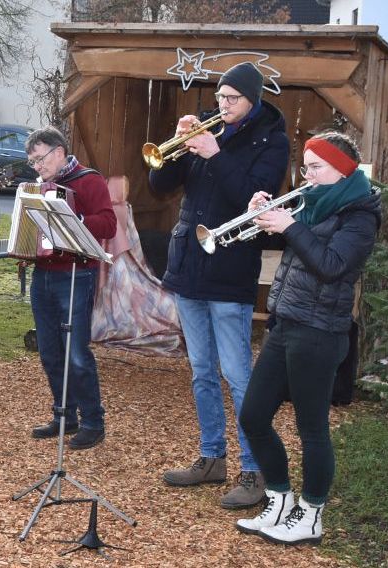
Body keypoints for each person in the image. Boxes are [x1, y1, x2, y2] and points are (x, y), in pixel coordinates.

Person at [148, 62, 290, 508]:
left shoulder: (273, 141)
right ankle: (212, 457)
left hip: (230, 269)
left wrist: (215, 154)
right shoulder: (209, 134)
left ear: (253, 100)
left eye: (231, 99)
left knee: (237, 374)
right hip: (189, 264)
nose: (222, 106)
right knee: (201, 371)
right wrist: (177, 145)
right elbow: (159, 184)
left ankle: (255, 468)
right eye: (220, 98)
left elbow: (252, 199)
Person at [236, 132, 380, 545]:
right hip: (288, 322)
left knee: (312, 429)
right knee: (254, 416)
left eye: (316, 167)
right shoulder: (313, 202)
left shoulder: (361, 214)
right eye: (306, 166)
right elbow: (291, 244)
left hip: (321, 332)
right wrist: (262, 218)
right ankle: (280, 499)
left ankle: (312, 513)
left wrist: (291, 225)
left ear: (343, 170)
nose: (307, 175)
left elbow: (332, 265)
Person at [24, 126, 117, 451]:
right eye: (33, 162)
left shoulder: (89, 180)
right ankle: (65, 416)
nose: (37, 167)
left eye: (40, 159)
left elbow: (108, 224)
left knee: (77, 353)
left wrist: (72, 216)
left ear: (59, 151)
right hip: (44, 275)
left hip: (76, 274)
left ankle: (93, 421)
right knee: (50, 352)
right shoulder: (37, 188)